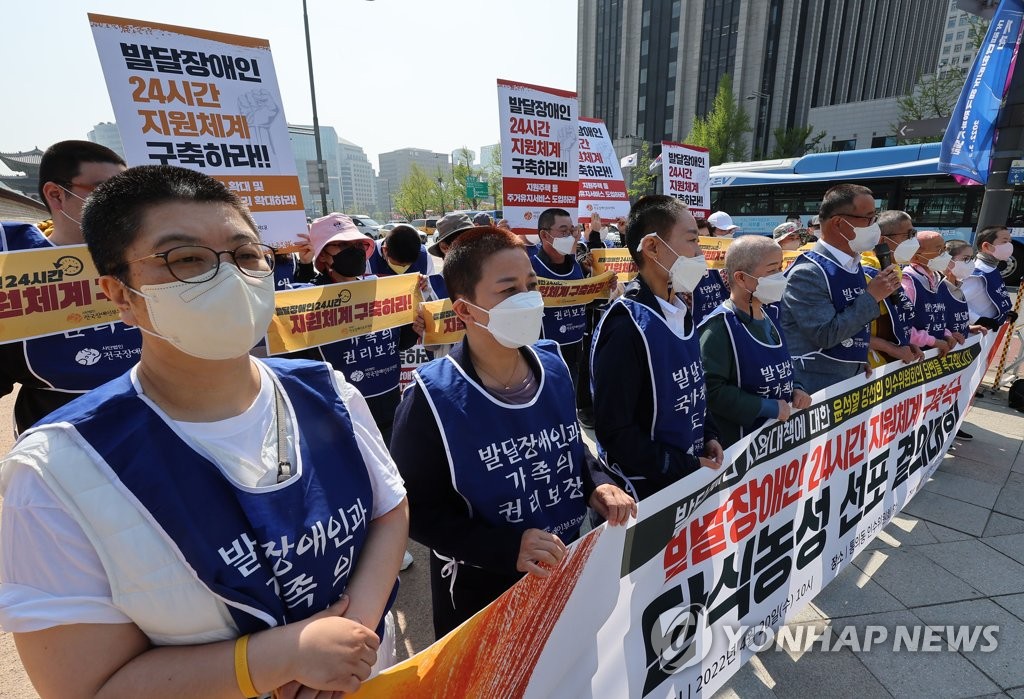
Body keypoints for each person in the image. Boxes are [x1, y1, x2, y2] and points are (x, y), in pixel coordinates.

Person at [0, 165, 409, 697]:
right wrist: (281, 658)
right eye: (185, 259)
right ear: (118, 293)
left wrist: (352, 637)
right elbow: (85, 687)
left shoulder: (327, 391)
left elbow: (388, 510)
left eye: (245, 255)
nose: (229, 278)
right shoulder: (56, 473)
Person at [389, 226, 635, 638]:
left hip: (567, 568)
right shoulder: (430, 398)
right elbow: (413, 512)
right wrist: (506, 549)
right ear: (464, 310)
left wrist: (598, 482)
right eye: (508, 290)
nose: (527, 298)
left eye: (531, 285)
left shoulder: (554, 365)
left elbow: (569, 447)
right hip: (482, 595)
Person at [0, 140, 139, 434]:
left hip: (154, 423)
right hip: (63, 436)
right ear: (56, 195)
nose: (121, 205)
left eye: (127, 194)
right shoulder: (15, 271)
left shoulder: (150, 260)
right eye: (105, 192)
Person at [591, 195, 724, 501]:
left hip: (688, 476)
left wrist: (709, 434)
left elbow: (694, 385)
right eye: (692, 240)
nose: (699, 252)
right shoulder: (626, 326)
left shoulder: (679, 307)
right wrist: (685, 465)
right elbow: (616, 434)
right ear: (652, 247)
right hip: (649, 492)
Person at [780, 184, 899, 395]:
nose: (875, 226)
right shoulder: (808, 272)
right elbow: (825, 335)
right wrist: (872, 297)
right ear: (838, 223)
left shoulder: (853, 264)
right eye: (869, 218)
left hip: (849, 382)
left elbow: (852, 326)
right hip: (814, 391)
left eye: (876, 218)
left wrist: (855, 361)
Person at [699, 236, 812, 447]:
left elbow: (783, 364)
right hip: (740, 448)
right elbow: (711, 390)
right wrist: (766, 407)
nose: (781, 276)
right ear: (741, 278)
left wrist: (797, 387)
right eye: (772, 271)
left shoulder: (769, 314)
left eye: (781, 267)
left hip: (776, 444)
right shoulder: (719, 327)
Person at [529, 208, 590, 391]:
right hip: (542, 358)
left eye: (572, 231)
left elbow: (586, 301)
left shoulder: (576, 267)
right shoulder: (531, 269)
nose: (570, 236)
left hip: (574, 354)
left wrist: (604, 290)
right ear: (545, 235)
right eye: (563, 231)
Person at [861, 210, 923, 367]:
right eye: (908, 235)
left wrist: (904, 340)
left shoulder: (893, 268)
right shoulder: (866, 274)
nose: (914, 241)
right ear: (882, 239)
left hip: (888, 365)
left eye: (914, 234)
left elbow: (894, 318)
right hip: (867, 367)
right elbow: (852, 332)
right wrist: (891, 349)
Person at [900, 230, 965, 357]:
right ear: (916, 256)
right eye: (939, 250)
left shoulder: (937, 279)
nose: (945, 255)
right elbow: (903, 326)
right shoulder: (908, 283)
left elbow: (937, 318)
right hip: (915, 357)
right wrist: (933, 341)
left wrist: (946, 335)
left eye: (945, 250)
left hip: (934, 354)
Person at [962, 225, 1019, 329]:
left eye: (1010, 241)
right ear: (987, 246)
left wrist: (1004, 312)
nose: (1010, 245)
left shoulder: (990, 268)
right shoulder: (976, 273)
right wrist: (977, 319)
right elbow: (956, 302)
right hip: (974, 335)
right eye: (1005, 241)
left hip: (987, 332)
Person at [368, 224, 435, 277]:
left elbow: (432, 289)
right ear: (385, 250)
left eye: (407, 265)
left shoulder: (424, 256)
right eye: (398, 265)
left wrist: (427, 286)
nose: (403, 270)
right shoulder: (368, 257)